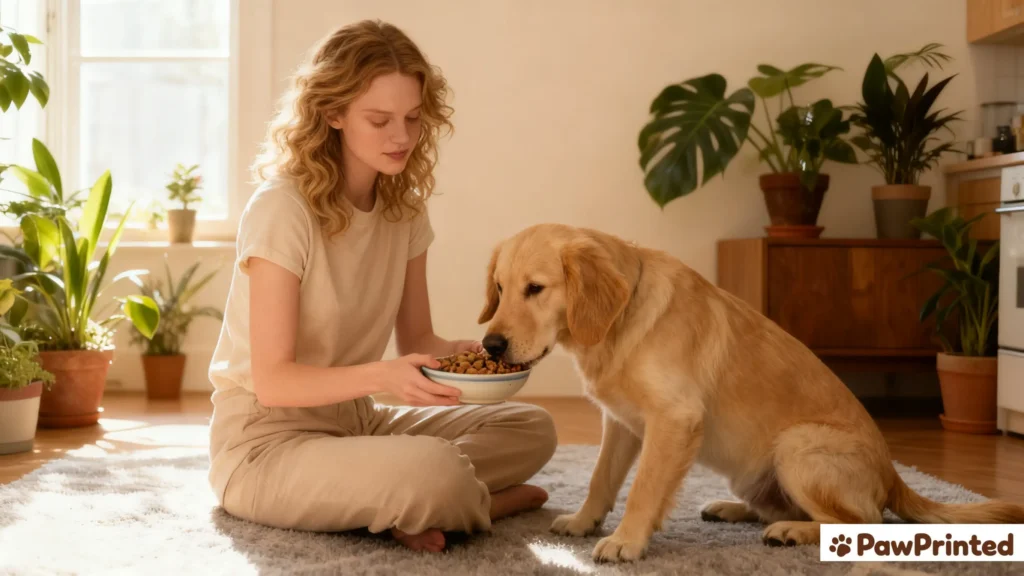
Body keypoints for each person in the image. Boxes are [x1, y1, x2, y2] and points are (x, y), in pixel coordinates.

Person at [206, 19, 558, 553]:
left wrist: (466, 357)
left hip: (358, 424)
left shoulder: (404, 211)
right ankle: (474, 501)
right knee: (434, 469)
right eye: (379, 120)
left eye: (413, 118)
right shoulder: (282, 209)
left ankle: (409, 501)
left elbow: (418, 341)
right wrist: (382, 377)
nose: (401, 137)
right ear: (333, 113)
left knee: (532, 427)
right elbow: (274, 382)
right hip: (265, 445)